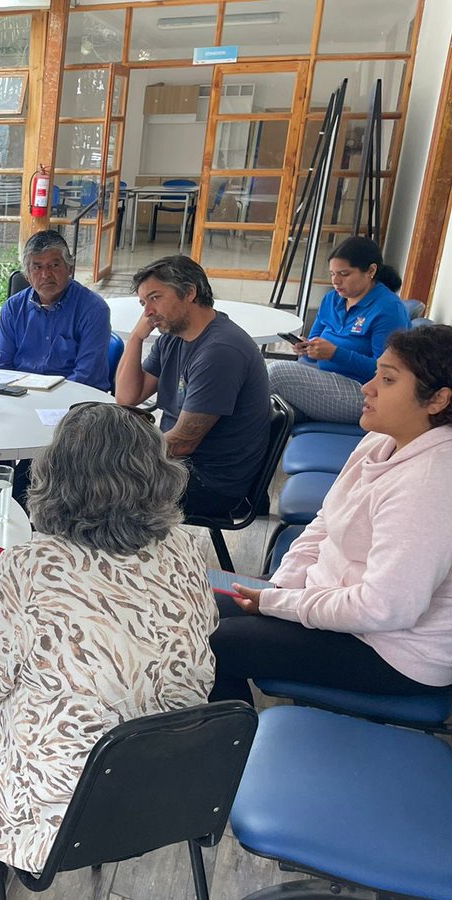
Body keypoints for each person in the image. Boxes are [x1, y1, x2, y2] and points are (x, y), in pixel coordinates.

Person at [0, 402, 218, 873]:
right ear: (159, 473)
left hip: (54, 813)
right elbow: (202, 634)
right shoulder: (188, 549)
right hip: (166, 787)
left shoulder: (33, 565)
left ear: (54, 476)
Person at [210, 324, 452, 705]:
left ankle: (229, 750)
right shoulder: (384, 437)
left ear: (437, 400)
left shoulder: (430, 483)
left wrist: (278, 604)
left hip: (392, 650)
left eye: (387, 380)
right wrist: (283, 585)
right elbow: (325, 520)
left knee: (213, 643)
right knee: (196, 607)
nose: (367, 387)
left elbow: (384, 609)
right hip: (333, 602)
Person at [115, 255, 271, 518]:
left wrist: (112, 457)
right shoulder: (174, 336)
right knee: (62, 471)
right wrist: (136, 337)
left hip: (211, 483)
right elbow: (128, 397)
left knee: (92, 487)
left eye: (155, 297)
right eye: (143, 303)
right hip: (178, 465)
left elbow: (183, 444)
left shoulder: (220, 351)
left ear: (189, 292)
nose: (148, 312)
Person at [268, 236, 409, 424]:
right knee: (261, 381)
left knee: (277, 373)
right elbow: (312, 351)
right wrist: (307, 349)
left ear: (371, 271)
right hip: (327, 379)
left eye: (344, 274)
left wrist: (336, 354)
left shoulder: (388, 308)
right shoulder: (332, 300)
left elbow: (386, 374)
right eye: (332, 274)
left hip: (367, 394)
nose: (336, 281)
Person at [0, 230, 112, 391]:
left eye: (54, 265)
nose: (46, 274)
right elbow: (1, 368)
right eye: (37, 267)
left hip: (75, 401)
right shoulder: (13, 308)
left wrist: (47, 399)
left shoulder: (93, 310)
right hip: (22, 396)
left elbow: (86, 377)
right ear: (27, 275)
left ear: (70, 268)